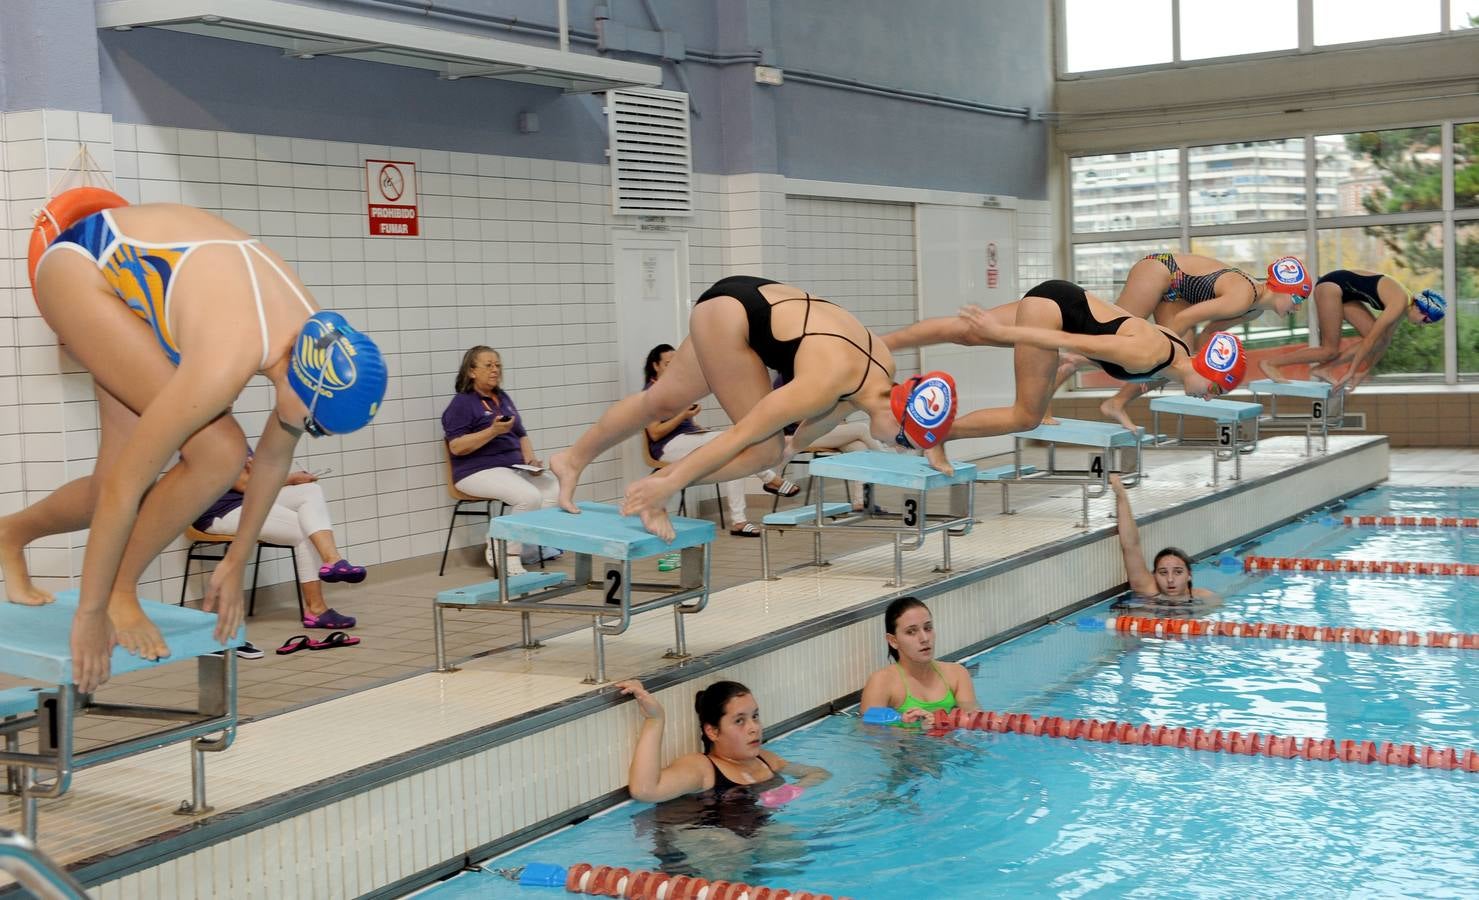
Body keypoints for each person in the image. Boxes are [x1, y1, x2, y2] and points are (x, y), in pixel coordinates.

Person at [19, 188, 386, 692]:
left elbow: (275, 461)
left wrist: (235, 562)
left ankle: (8, 535)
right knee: (217, 452)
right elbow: (129, 486)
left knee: (111, 479)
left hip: (141, 281)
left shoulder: (317, 340)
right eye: (314, 424)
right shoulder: (224, 362)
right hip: (80, 270)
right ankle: (121, 590)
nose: (307, 433)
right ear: (301, 383)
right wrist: (93, 609)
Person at [551, 277, 957, 540]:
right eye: (906, 441)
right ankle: (655, 492)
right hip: (735, 320)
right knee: (760, 450)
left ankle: (570, 459)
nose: (903, 449)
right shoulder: (823, 384)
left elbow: (821, 423)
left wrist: (792, 446)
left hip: (742, 297)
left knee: (661, 401)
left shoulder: (883, 370)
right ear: (895, 413)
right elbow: (739, 436)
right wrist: (670, 481)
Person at [883, 279, 1248, 470]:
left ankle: (877, 345)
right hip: (1055, 317)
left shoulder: (1176, 354)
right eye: (1215, 389)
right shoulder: (1148, 354)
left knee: (963, 332)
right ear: (1206, 367)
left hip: (1061, 298)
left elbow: (1084, 349)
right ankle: (936, 435)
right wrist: (1004, 335)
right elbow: (1065, 341)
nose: (1209, 397)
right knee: (1024, 417)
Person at [1050, 253, 1311, 430]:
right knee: (1111, 337)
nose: (1297, 308)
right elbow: (1185, 319)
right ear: (1283, 288)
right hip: (1160, 271)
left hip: (1177, 294)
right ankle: (1072, 361)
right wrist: (1160, 360)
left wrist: (1175, 364)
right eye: (1298, 299)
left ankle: (1115, 403)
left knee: (1182, 366)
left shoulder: (1253, 309)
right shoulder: (1242, 296)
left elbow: (1207, 335)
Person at [644, 345, 802, 537]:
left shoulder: (676, 390)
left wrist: (697, 427)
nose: (673, 368)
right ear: (655, 366)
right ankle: (771, 480)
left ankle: (739, 521)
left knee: (733, 453)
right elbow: (654, 433)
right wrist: (682, 415)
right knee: (733, 442)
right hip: (666, 448)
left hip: (685, 439)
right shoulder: (651, 394)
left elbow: (686, 425)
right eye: (668, 364)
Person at [194, 454, 362, 629]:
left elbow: (255, 477)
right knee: (305, 531)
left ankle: (333, 560)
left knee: (310, 490)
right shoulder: (210, 437)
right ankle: (316, 610)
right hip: (221, 511)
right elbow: (244, 483)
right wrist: (289, 478)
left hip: (249, 498)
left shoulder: (233, 434)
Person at [616, 678, 830, 807]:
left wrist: (790, 790)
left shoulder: (765, 760)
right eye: (739, 721)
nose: (754, 727)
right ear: (713, 732)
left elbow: (819, 774)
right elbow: (645, 790)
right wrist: (655, 719)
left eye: (755, 716)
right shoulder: (703, 768)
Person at [442, 346, 561, 577]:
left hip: (511, 466)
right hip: (475, 471)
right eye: (488, 365)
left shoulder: (502, 397)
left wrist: (530, 460)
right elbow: (456, 446)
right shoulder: (462, 404)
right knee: (528, 497)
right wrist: (492, 431)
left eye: (498, 365)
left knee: (552, 488)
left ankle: (526, 548)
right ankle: (506, 553)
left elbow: (521, 433)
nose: (495, 370)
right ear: (472, 371)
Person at [1258, 269, 1446, 391]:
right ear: (1420, 308)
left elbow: (1383, 342)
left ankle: (1322, 369)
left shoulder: (1403, 305)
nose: (1424, 324)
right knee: (1329, 350)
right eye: (1426, 320)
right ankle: (1271, 363)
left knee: (1381, 340)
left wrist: (1364, 371)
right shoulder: (1399, 302)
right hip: (1331, 286)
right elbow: (1369, 340)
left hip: (1346, 293)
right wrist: (1351, 370)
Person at [860, 597, 980, 727]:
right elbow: (869, 734)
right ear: (893, 641)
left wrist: (937, 721)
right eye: (911, 632)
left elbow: (975, 723)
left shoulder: (956, 674)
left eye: (928, 628)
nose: (924, 638)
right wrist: (905, 723)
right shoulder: (882, 682)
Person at [1109, 474, 1220, 611]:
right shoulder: (1147, 590)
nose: (1170, 580)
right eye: (1163, 573)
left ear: (1189, 575)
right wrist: (1121, 495)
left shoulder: (1206, 598)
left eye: (1178, 572)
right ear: (1154, 575)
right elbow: (1131, 546)